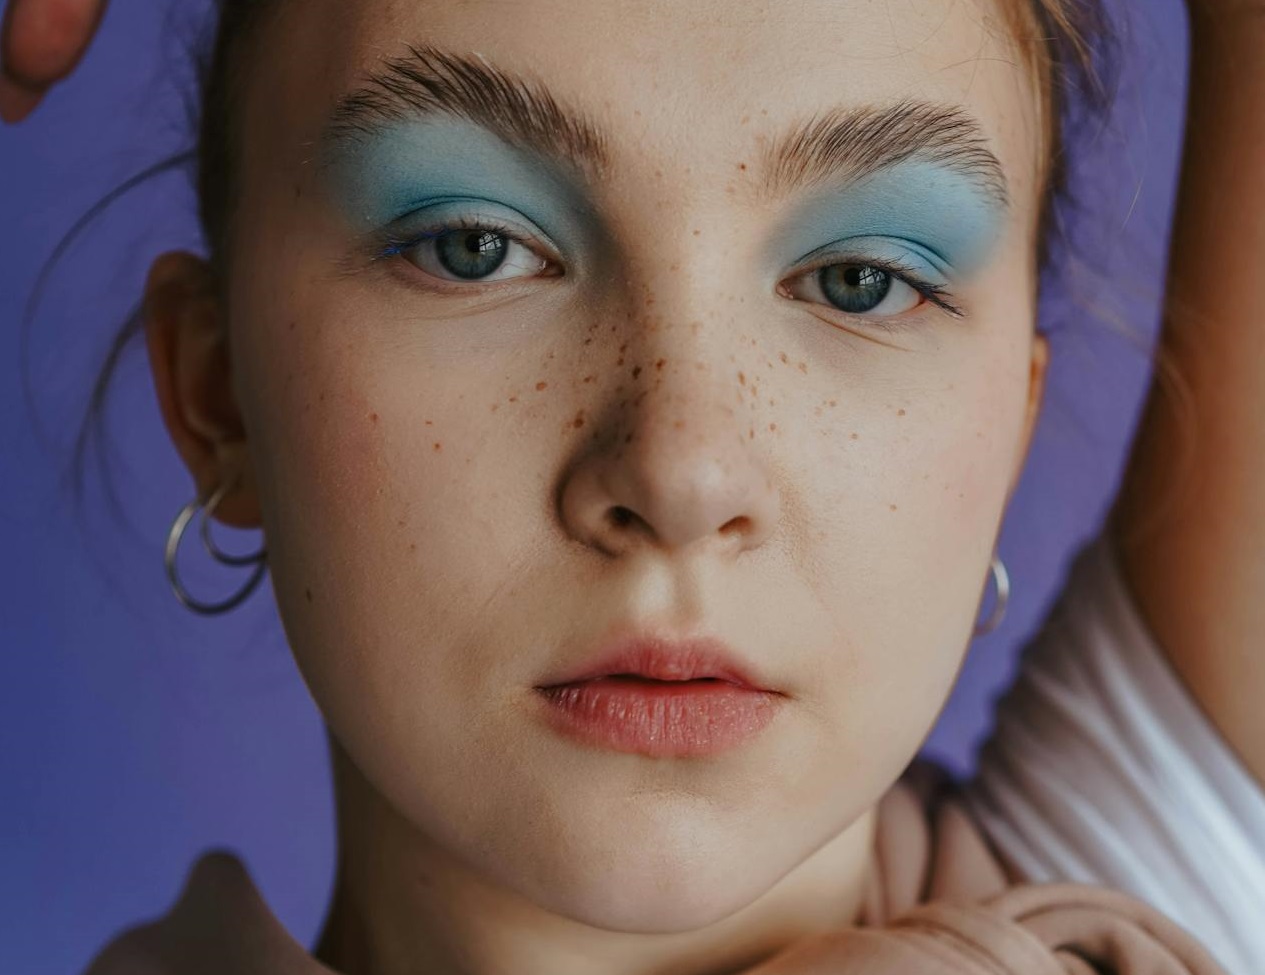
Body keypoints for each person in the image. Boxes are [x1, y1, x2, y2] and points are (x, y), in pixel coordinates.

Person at [4, 0, 1263, 972]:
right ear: (218, 395)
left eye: (859, 279)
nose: (678, 468)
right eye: (473, 245)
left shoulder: (1148, 885)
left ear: (1012, 429)